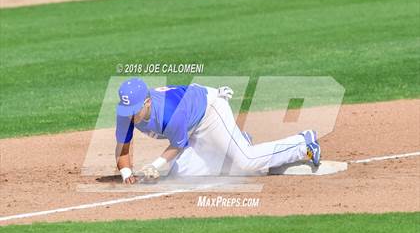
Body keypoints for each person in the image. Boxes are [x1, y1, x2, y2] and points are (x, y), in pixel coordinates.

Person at [115, 78, 321, 184]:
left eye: (134, 110)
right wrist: (126, 174)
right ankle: (237, 142)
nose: (131, 115)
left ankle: (302, 143)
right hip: (191, 123)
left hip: (210, 111)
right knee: (181, 173)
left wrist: (154, 165)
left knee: (246, 161)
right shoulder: (126, 112)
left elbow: (178, 144)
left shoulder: (170, 112)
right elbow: (122, 150)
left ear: (148, 102)